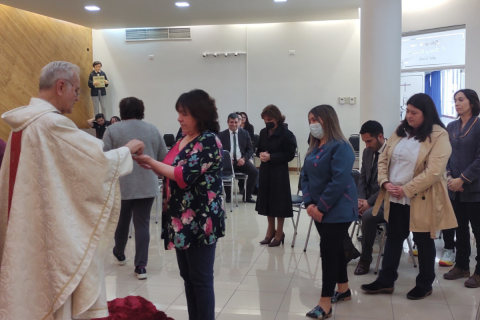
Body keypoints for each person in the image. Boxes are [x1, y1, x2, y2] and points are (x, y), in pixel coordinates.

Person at [0, 61, 144, 320]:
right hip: (49, 224)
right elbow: (96, 164)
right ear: (60, 86)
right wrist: (127, 150)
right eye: (77, 91)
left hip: (29, 221)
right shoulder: (51, 124)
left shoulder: (21, 125)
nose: (78, 97)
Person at [134, 89, 224, 320]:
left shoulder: (208, 140)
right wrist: (151, 165)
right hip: (180, 217)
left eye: (184, 114)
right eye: (178, 113)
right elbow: (170, 168)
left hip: (200, 218)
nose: (179, 119)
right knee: (188, 276)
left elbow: (184, 174)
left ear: (200, 114)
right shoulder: (183, 137)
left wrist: (153, 162)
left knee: (201, 279)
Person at [361, 93, 457, 300]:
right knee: (394, 238)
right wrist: (385, 182)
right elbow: (383, 158)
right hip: (395, 196)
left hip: (421, 197)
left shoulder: (439, 135)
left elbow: (434, 171)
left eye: (414, 112)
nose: (409, 115)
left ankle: (425, 284)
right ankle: (385, 281)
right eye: (408, 110)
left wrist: (406, 189)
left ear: (427, 113)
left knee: (423, 240)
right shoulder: (400, 131)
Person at [301, 105, 358, 319]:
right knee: (334, 248)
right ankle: (343, 289)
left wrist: (321, 207)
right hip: (317, 208)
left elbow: (339, 180)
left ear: (327, 119)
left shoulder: (340, 146)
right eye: (310, 120)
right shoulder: (315, 146)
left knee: (328, 251)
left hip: (337, 208)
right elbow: (304, 176)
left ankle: (325, 302)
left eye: (315, 119)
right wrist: (309, 204)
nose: (312, 124)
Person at [103, 97, 168, 280]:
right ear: (142, 110)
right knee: (142, 224)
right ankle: (141, 266)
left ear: (122, 111)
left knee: (121, 222)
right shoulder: (152, 129)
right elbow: (163, 156)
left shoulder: (112, 130)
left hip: (122, 184)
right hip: (147, 183)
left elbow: (104, 157)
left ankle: (120, 252)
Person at [443, 89, 480, 287]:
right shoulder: (451, 126)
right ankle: (461, 265)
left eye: (460, 100)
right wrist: (450, 177)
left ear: (471, 103)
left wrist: (462, 179)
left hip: (475, 189)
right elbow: (446, 154)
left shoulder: (479, 124)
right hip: (454, 188)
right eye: (455, 100)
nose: (456, 103)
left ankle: (479, 271)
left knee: (478, 230)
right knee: (460, 229)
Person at [256, 104, 297, 247]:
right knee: (267, 200)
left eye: (270, 119)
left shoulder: (287, 134)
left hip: (279, 172)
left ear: (278, 118)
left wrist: (272, 157)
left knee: (279, 202)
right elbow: (259, 148)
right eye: (265, 119)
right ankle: (270, 230)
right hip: (265, 171)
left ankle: (279, 232)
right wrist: (260, 154)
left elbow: (289, 154)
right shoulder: (263, 132)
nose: (267, 122)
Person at [353, 120, 387, 275]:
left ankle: (365, 259)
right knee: (337, 207)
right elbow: (362, 178)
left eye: (369, 141)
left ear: (380, 137)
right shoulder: (367, 152)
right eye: (364, 141)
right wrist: (361, 199)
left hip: (386, 202)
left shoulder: (391, 154)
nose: (366, 145)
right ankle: (347, 250)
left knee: (368, 216)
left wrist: (369, 203)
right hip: (366, 199)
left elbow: (388, 186)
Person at [218, 113, 258, 203]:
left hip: (242, 161)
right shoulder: (221, 135)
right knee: (223, 171)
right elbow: (218, 151)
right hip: (228, 162)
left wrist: (244, 159)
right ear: (228, 122)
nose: (234, 124)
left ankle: (247, 196)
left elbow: (250, 150)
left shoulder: (245, 134)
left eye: (236, 122)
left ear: (239, 122)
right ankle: (228, 196)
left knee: (254, 172)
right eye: (231, 122)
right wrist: (226, 160)